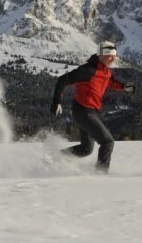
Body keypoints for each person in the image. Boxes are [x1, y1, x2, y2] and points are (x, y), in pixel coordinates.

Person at [50, 41, 135, 172]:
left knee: (86, 149)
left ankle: (55, 157)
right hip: (83, 112)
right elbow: (63, 80)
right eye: (109, 55)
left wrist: (124, 85)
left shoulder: (106, 71)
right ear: (100, 55)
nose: (112, 58)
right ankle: (101, 174)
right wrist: (57, 101)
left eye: (114, 56)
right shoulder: (88, 70)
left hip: (91, 112)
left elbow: (113, 80)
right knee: (107, 142)